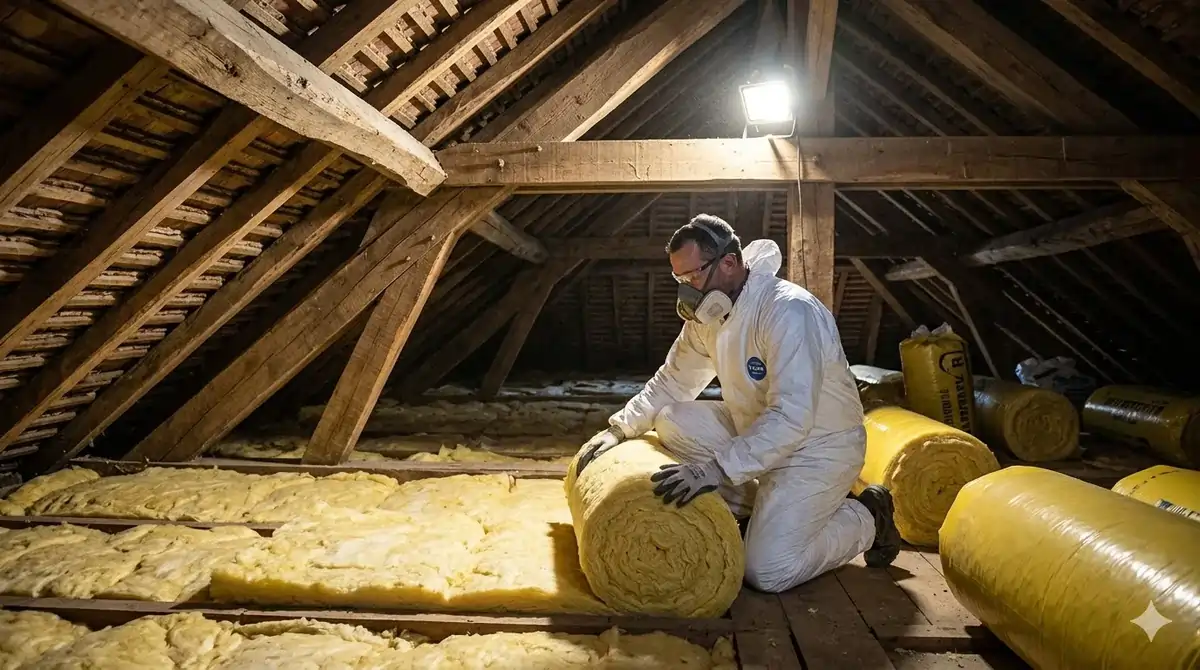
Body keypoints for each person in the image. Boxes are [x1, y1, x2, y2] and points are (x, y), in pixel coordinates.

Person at [575, 214, 900, 593]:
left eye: (692, 276)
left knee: (766, 570)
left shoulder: (788, 311)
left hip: (818, 446)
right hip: (758, 430)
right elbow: (674, 380)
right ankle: (762, 507)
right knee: (671, 419)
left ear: (728, 263)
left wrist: (716, 470)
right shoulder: (707, 317)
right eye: (680, 280)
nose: (687, 289)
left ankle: (867, 516)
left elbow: (792, 416)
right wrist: (620, 429)